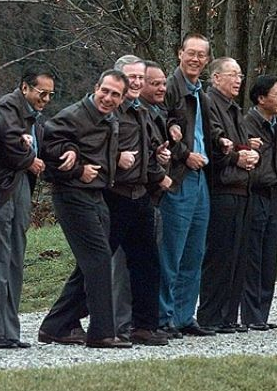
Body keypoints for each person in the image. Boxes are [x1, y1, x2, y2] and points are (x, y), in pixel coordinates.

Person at [38, 69, 132, 348]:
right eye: (105, 91)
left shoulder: (110, 119)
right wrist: (76, 167)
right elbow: (49, 147)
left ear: (122, 99)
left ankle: (55, 325)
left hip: (98, 194)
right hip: (72, 195)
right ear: (95, 87)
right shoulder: (73, 115)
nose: (108, 98)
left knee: (90, 263)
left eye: (115, 94)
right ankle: (102, 333)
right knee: (99, 260)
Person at [0, 68, 53, 349]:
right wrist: (29, 158)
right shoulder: (8, 106)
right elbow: (9, 141)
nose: (46, 99)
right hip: (3, 188)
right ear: (25, 88)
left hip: (19, 185)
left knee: (14, 258)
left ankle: (9, 331)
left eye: (50, 94)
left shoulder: (33, 115)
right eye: (42, 93)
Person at [107, 55, 171, 346]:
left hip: (142, 194)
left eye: (140, 78)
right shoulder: (110, 110)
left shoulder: (142, 111)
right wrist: (116, 158)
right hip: (116, 195)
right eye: (130, 77)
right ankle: (115, 325)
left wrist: (159, 161)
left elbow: (147, 151)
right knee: (114, 266)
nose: (136, 82)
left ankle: (144, 326)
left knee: (147, 264)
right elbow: (95, 148)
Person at [159, 33, 215, 338]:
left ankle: (183, 316)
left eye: (201, 55)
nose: (195, 59)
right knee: (172, 250)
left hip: (200, 177)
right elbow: (159, 128)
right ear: (179, 53)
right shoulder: (169, 88)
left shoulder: (200, 92)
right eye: (190, 53)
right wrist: (184, 154)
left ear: (207, 60)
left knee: (195, 251)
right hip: (179, 176)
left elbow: (205, 132)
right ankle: (163, 316)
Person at [197, 57, 259, 334]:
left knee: (237, 256)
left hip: (242, 188)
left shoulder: (234, 108)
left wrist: (250, 151)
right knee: (219, 256)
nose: (237, 80)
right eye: (232, 74)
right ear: (216, 78)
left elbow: (237, 143)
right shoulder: (209, 103)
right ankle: (211, 315)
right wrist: (237, 157)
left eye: (240, 75)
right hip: (222, 188)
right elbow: (215, 144)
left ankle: (229, 316)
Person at [240, 76, 277, 331]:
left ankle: (262, 312)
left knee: (269, 256)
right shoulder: (246, 124)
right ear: (261, 98)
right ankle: (251, 315)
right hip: (254, 193)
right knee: (253, 255)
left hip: (275, 196)